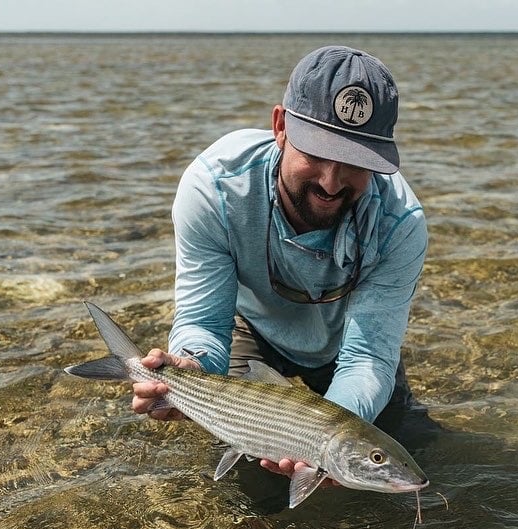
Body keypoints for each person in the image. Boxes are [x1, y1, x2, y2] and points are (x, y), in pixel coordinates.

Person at [131, 45, 429, 483]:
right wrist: (191, 367)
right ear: (280, 127)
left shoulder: (400, 223)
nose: (331, 182)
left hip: (346, 338)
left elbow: (367, 355)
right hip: (251, 330)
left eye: (355, 163)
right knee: (251, 481)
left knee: (406, 449)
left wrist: (323, 442)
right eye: (317, 153)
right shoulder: (213, 188)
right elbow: (204, 321)